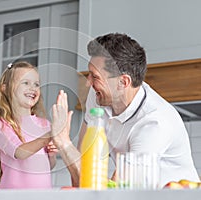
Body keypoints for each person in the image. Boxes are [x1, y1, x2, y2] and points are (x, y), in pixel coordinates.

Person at [51, 33, 200, 188]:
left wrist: (63, 142)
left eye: (95, 76)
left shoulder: (154, 123)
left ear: (123, 82)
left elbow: (115, 193)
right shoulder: (98, 96)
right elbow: (84, 174)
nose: (88, 83)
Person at [0, 61, 57, 189]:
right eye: (25, 83)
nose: (33, 88)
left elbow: (49, 165)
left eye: (36, 84)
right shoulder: (1, 125)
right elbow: (20, 152)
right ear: (5, 89)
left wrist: (52, 155)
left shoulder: (45, 124)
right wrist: (51, 134)